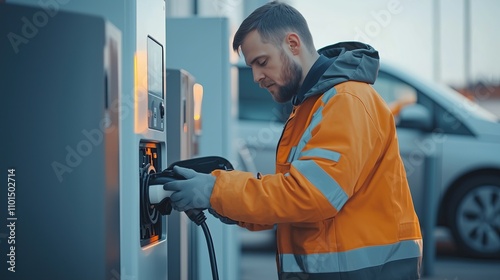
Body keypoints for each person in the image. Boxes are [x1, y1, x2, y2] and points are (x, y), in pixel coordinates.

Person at [164, 1, 423, 279]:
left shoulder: (345, 101)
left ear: (293, 44)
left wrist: (215, 190)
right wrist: (215, 200)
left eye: (262, 62)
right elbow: (288, 202)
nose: (256, 77)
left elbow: (310, 196)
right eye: (251, 66)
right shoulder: (312, 106)